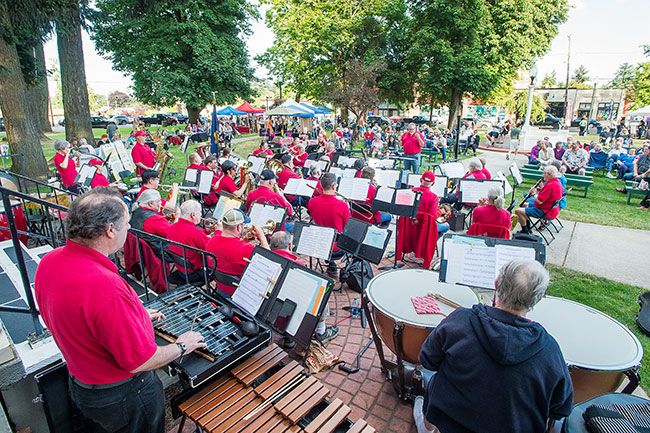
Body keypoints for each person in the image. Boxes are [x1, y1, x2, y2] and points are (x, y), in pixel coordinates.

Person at [35, 188, 205, 433]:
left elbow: (83, 314)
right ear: (110, 230)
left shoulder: (50, 261)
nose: (128, 228)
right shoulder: (104, 286)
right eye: (126, 223)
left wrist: (134, 315)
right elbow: (141, 361)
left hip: (82, 386)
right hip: (123, 394)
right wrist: (182, 346)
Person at [413, 260, 573, 433]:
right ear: (538, 298)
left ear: (496, 284)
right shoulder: (550, 351)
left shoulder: (460, 320)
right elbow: (560, 408)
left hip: (448, 422)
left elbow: (428, 360)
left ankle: (428, 426)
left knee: (431, 379)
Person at [205, 208, 269, 296]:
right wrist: (262, 236)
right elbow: (268, 261)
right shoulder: (246, 248)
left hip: (220, 288)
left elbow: (227, 247)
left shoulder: (211, 240)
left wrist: (243, 240)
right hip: (239, 292)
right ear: (239, 227)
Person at [307, 173, 351, 277]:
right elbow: (347, 228)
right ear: (333, 186)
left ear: (321, 186)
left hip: (319, 243)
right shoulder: (342, 205)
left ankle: (331, 265)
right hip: (336, 248)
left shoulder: (312, 201)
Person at [167, 200, 216, 283]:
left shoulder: (172, 227)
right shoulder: (194, 233)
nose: (200, 215)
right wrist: (218, 232)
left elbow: (188, 236)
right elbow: (213, 248)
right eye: (199, 212)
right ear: (193, 215)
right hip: (194, 272)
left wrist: (206, 231)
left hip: (181, 269)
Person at [514, 165, 564, 233]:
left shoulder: (550, 185)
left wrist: (534, 194)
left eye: (544, 173)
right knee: (525, 205)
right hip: (550, 209)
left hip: (544, 211)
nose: (543, 175)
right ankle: (528, 228)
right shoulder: (557, 182)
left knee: (517, 211)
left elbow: (540, 201)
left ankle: (525, 231)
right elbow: (547, 195)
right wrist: (540, 189)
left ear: (548, 174)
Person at [411, 171, 448, 235]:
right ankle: (430, 243)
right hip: (423, 227)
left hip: (409, 224)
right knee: (446, 226)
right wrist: (440, 212)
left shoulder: (410, 190)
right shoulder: (434, 197)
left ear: (420, 180)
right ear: (433, 183)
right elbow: (432, 218)